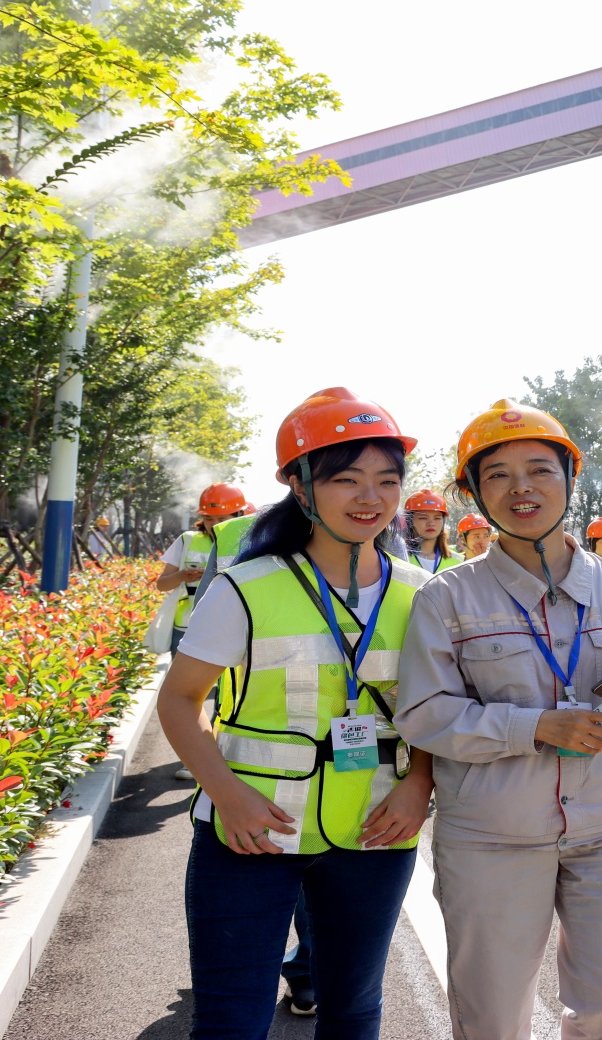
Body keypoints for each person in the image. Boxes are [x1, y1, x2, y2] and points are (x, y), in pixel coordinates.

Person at [395, 399, 602, 1040]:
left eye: (539, 470)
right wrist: (534, 727)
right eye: (497, 475)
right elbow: (422, 712)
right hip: (492, 833)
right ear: (473, 492)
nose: (521, 488)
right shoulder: (446, 597)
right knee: (492, 1015)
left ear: (569, 478)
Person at [156, 388, 433, 1038]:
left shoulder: (426, 594)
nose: (372, 497)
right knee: (231, 1022)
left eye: (387, 480)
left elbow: (436, 709)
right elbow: (179, 700)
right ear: (300, 487)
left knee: (355, 1011)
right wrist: (226, 795)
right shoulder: (243, 588)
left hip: (375, 829)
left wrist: (419, 783)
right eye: (348, 479)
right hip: (251, 832)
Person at [154, 482, 250, 652]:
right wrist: (182, 576)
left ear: (239, 515)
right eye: (208, 518)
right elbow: (162, 585)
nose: (214, 525)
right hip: (186, 627)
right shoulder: (187, 540)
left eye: (222, 519)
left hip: (229, 628)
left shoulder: (248, 544)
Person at [401, 489, 462, 573]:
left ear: (443, 522)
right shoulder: (398, 558)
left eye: (437, 518)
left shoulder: (458, 561)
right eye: (423, 518)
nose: (431, 523)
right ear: (409, 522)